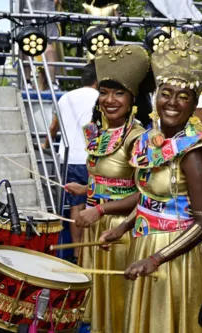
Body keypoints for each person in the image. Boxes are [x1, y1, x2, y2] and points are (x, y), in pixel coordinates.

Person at [97, 32, 202, 333]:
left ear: (194, 103)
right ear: (155, 96)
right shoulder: (149, 144)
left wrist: (158, 258)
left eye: (183, 96)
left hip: (177, 258)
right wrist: (122, 227)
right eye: (166, 93)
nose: (173, 102)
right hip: (145, 245)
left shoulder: (194, 153)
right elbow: (149, 200)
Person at [64, 44, 151, 333]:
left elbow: (144, 193)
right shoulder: (100, 133)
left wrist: (100, 209)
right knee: (93, 308)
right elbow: (109, 180)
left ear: (133, 98)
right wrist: (85, 188)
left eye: (118, 93)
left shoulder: (140, 138)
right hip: (94, 227)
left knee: (116, 306)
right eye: (104, 92)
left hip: (121, 233)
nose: (109, 100)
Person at [43, 62, 98, 261]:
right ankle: (88, 252)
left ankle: (76, 252)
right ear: (98, 80)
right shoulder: (100, 98)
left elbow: (53, 126)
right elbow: (92, 128)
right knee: (94, 204)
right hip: (88, 158)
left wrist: (44, 147)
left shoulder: (65, 97)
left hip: (66, 158)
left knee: (76, 206)